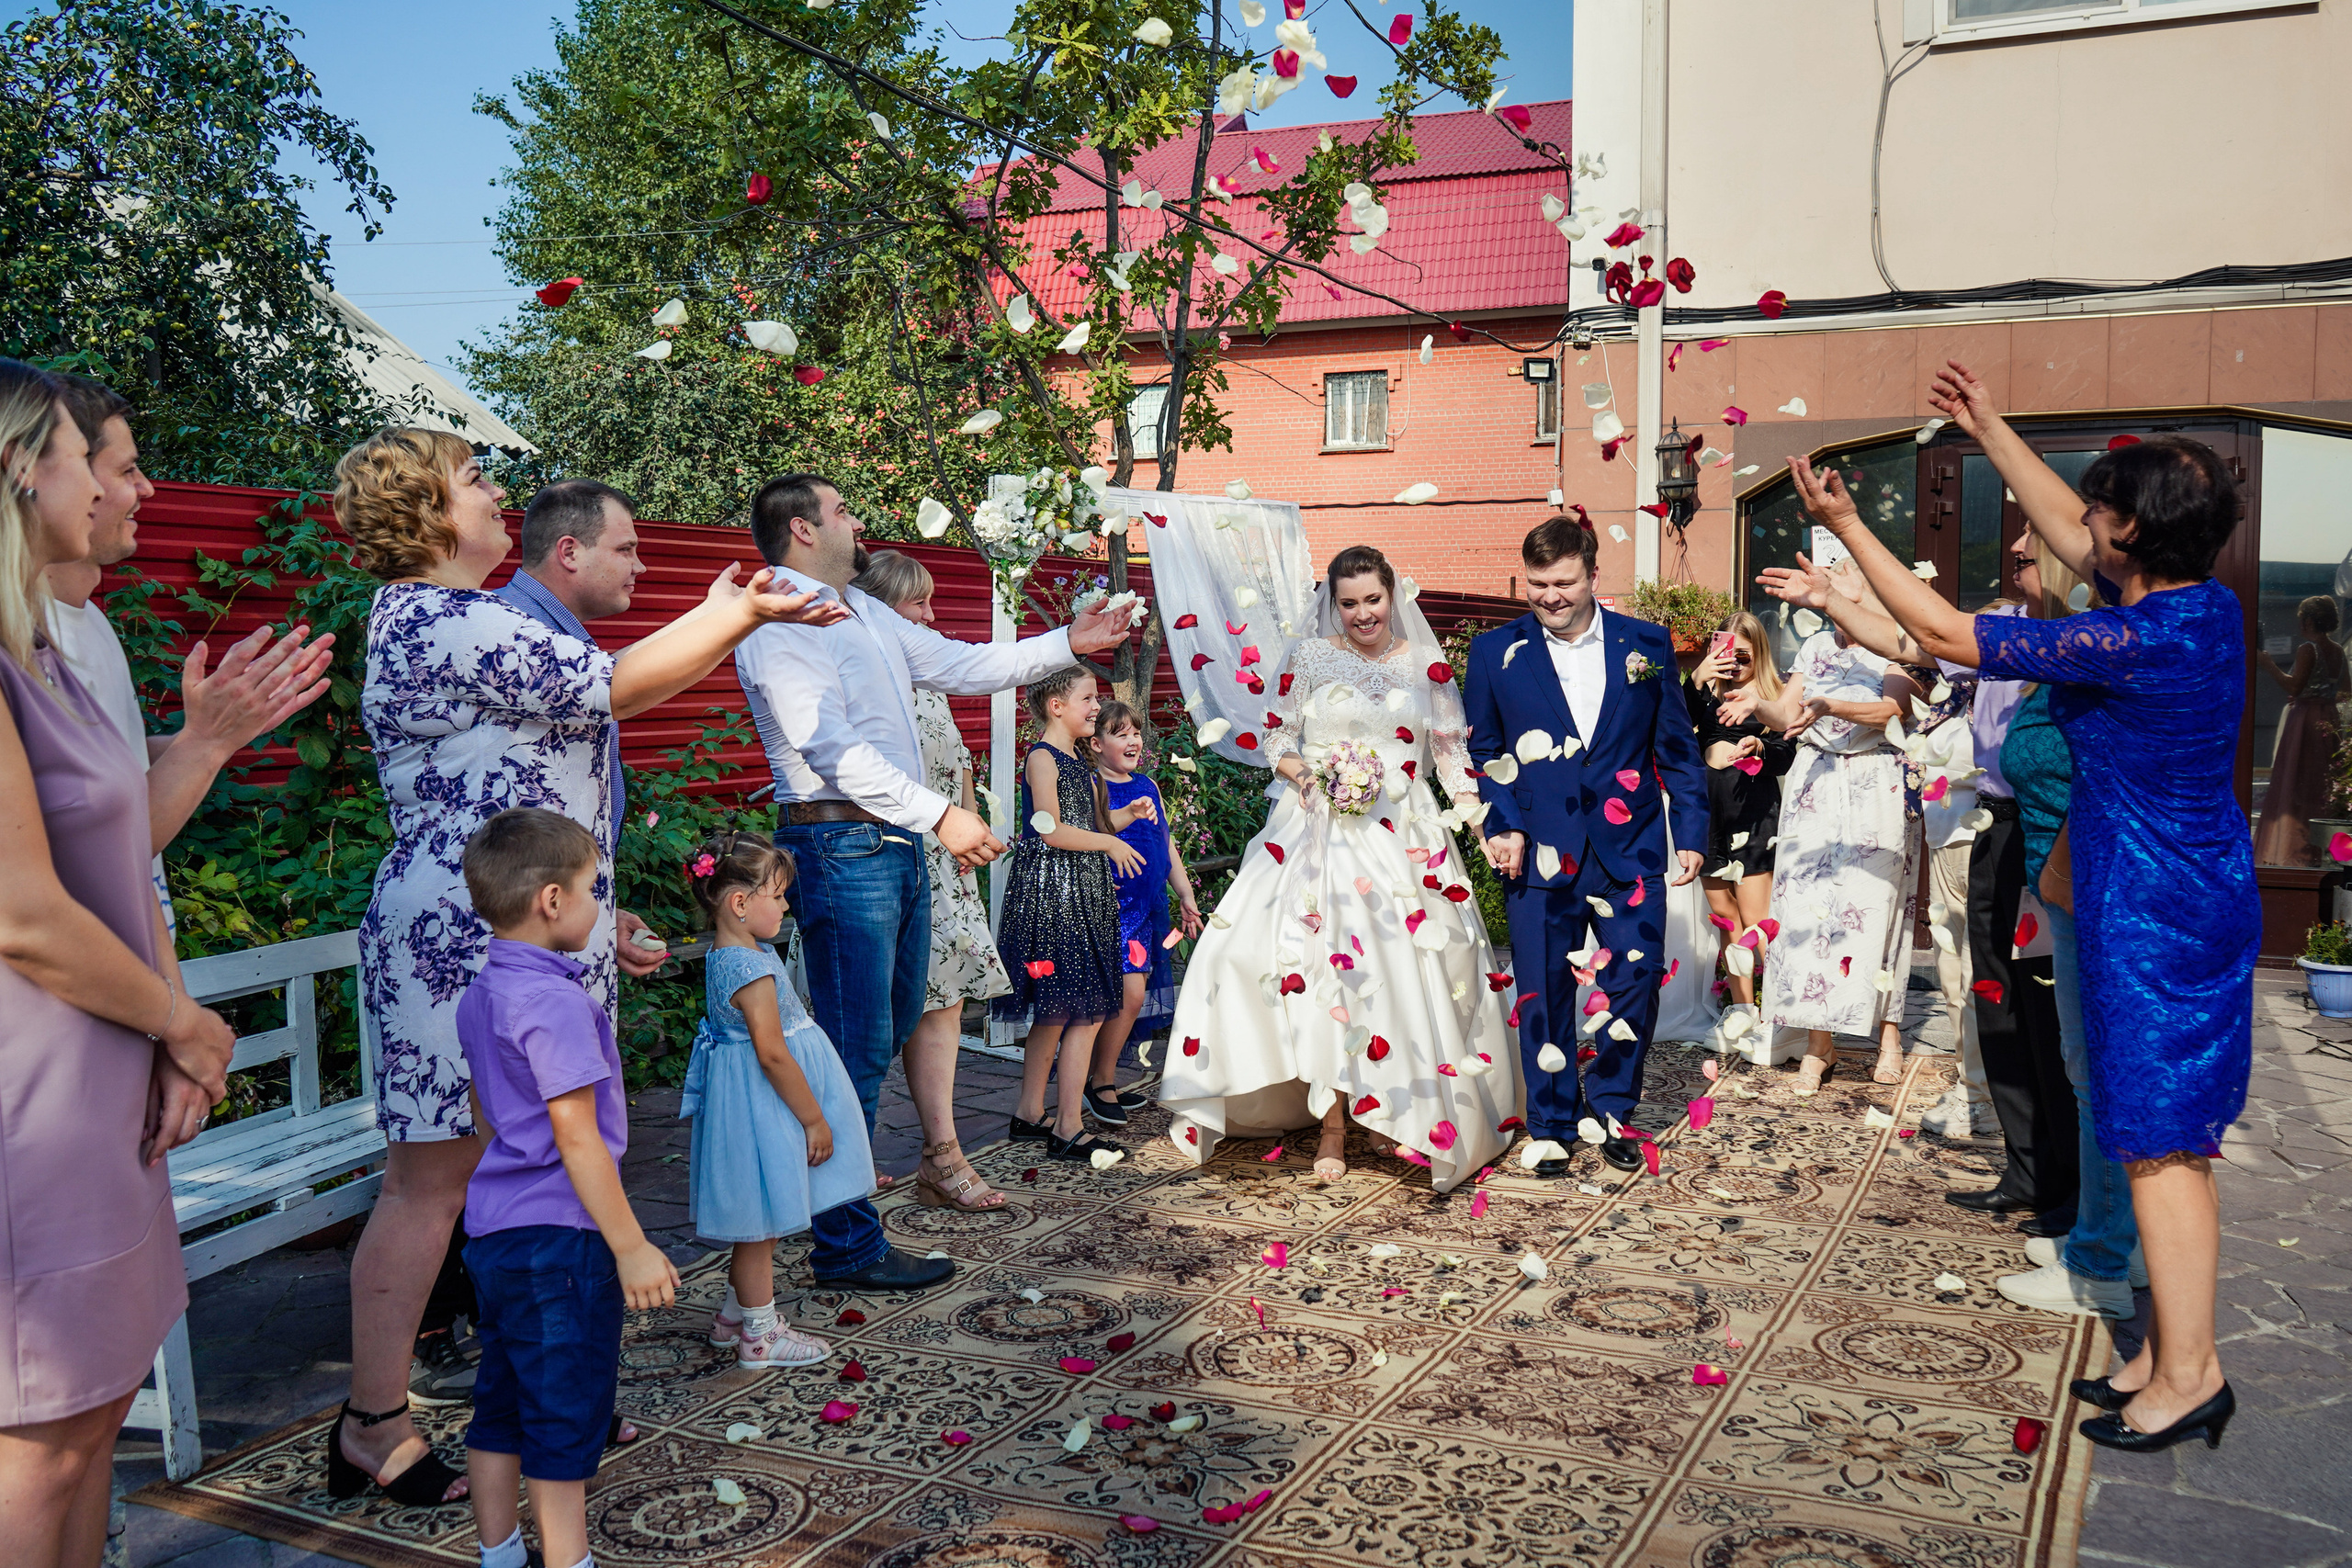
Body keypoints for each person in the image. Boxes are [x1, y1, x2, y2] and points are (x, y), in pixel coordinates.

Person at [334, 428, 844, 1507]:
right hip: (458, 946)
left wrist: (594, 917)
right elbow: (609, 686)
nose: (497, 491)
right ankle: (373, 1423)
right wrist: (735, 612)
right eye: (474, 480)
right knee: (439, 1178)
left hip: (520, 925)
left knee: (532, 1164)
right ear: (428, 512)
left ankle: (538, 1389)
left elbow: (561, 739)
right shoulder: (440, 615)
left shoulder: (461, 619)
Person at [1785, 357, 2256, 1456]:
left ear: (2132, 537)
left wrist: (1849, 532)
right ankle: (2158, 1348)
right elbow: (2070, 526)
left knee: (2161, 1144)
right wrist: (1988, 425)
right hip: (2150, 891)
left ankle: (2190, 1374)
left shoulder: (2134, 641)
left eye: (2099, 511)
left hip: (2157, 912)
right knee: (2140, 1126)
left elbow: (1948, 639)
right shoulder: (2200, 605)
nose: (2077, 523)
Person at [733, 474, 1131, 1289]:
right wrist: (939, 814)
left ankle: (841, 1224)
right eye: (843, 509)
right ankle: (842, 1244)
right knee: (850, 1047)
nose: (858, 518)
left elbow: (964, 662)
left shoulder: (866, 610)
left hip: (892, 843)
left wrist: (1068, 643)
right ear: (803, 530)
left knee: (878, 1037)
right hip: (839, 841)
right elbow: (826, 747)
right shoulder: (776, 617)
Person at [0, 359, 234, 1568]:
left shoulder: (48, 644)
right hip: (29, 1089)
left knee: (89, 1416)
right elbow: (25, 910)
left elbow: (111, 866)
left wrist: (206, 740)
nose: (113, 483)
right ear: (19, 465)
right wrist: (185, 1025)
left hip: (98, 1067)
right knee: (36, 1436)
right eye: (92, 457)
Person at [1161, 545, 1520, 1190]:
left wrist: (1479, 823)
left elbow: (1450, 756)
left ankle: (1392, 1109)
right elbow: (1278, 737)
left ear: (1393, 596)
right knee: (1316, 968)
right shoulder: (1309, 656)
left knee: (1403, 972)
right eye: (1349, 602)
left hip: (1404, 833)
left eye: (1372, 599)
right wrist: (1312, 774)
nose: (1362, 613)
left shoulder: (1424, 666)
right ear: (1333, 602)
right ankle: (1331, 1121)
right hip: (1316, 830)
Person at [440, 809, 679, 1568]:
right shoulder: (554, 1003)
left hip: (497, 1232)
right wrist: (631, 1243)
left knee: (500, 1406)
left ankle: (500, 1553)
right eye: (590, 892)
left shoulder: (483, 995)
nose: (596, 908)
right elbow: (576, 1136)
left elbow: (486, 1117)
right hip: (561, 1243)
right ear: (550, 899)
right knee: (563, 1417)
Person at [41, 373, 334, 934]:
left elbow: (102, 775)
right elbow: (99, 852)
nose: (147, 490)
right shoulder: (22, 641)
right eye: (126, 470)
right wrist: (207, 742)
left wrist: (214, 726)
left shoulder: (90, 618)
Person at [1465, 518, 1706, 1177]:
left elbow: (1677, 751)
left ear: (1593, 575)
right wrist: (1502, 823)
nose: (1549, 596)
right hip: (1537, 849)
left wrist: (1689, 832)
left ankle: (1609, 1110)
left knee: (1634, 979)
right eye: (1537, 584)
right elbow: (1484, 752)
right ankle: (1549, 1124)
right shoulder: (1494, 653)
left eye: (1563, 582)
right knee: (1542, 986)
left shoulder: (1646, 645)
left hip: (1628, 848)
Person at [849, 549, 1012, 1210]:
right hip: (882, 858)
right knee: (870, 1014)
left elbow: (958, 760)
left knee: (944, 1005)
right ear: (883, 610)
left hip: (945, 865)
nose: (932, 615)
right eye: (918, 604)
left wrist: (969, 819)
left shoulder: (927, 673)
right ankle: (847, 1158)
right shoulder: (860, 676)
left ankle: (941, 1154)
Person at [1724, 560, 1924, 1090]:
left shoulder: (1894, 642)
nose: (1830, 581)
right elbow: (1789, 715)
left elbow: (1893, 710)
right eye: (1827, 574)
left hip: (1875, 780)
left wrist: (1833, 703)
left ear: (1869, 585)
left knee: (1877, 910)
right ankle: (1819, 1043)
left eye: (1843, 575)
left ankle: (1888, 1036)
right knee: (1806, 912)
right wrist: (1756, 704)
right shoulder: (1813, 649)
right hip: (1814, 787)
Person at [683, 832, 870, 1361]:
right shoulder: (750, 966)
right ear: (740, 904)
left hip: (751, 1102)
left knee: (755, 1220)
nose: (787, 905)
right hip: (767, 1105)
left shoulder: (737, 954)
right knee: (758, 1225)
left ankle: (731, 1316)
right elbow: (772, 1054)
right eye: (779, 894)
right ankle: (760, 1336)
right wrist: (813, 1119)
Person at [994, 665, 1134, 1157]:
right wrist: (1106, 843)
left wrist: (1124, 819)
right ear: (1057, 706)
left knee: (1058, 1013)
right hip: (1055, 895)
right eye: (1089, 699)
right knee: (1082, 1011)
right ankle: (1068, 1125)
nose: (1097, 707)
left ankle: (1029, 1113)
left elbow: (1095, 824)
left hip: (1084, 889)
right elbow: (1051, 828)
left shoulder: (1081, 763)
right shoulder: (1042, 759)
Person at [1087, 696, 1202, 1120]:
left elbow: (1165, 842)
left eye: (1136, 732)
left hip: (1147, 905)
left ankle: (1102, 1080)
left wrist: (1185, 895)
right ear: (1096, 743)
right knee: (1129, 994)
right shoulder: (1094, 785)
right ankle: (1098, 1081)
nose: (1134, 740)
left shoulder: (1148, 785)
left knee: (1131, 996)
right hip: (1112, 907)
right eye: (1121, 734)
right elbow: (1096, 832)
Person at [1683, 610, 1792, 1025]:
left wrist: (1761, 747)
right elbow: (1674, 727)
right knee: (1725, 918)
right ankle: (1743, 1010)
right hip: (1709, 815)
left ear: (1759, 654)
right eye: (1726, 652)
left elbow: (1787, 753)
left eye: (1743, 656)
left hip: (1753, 810)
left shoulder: (1773, 698)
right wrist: (1698, 678)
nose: (1735, 664)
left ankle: (1784, 1013)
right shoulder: (1707, 695)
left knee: (1756, 919)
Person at [2254, 594, 2346, 866]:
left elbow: (2294, 687)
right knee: (2321, 785)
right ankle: (2321, 849)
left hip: (2305, 720)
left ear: (2307, 621)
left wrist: (2268, 664)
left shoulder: (2308, 648)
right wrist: (2322, 694)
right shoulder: (2337, 650)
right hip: (2328, 719)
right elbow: (2346, 691)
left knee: (2296, 782)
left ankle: (2296, 853)